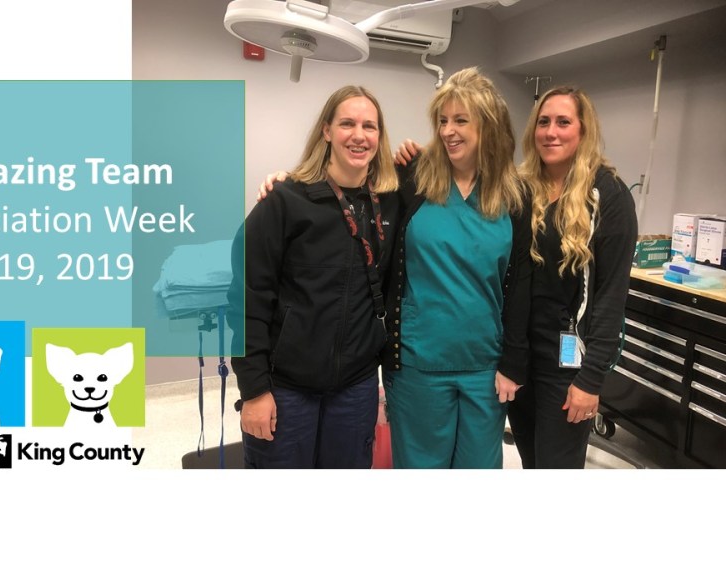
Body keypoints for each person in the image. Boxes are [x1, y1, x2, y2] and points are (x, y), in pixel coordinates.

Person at [260, 67, 531, 469]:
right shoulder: (414, 177)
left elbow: (520, 282)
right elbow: (346, 177)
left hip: (485, 367)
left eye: (460, 120)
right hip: (417, 363)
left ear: (488, 125)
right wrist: (288, 182)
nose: (448, 131)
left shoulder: (515, 194)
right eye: (442, 120)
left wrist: (513, 362)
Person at [227, 85, 400, 468]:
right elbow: (244, 299)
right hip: (285, 388)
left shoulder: (390, 202)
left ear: (380, 135)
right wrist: (254, 390)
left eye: (369, 126)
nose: (359, 135)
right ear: (326, 131)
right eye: (347, 124)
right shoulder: (285, 200)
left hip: (355, 388)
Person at [506, 86, 637, 468]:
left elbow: (612, 295)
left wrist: (591, 380)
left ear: (583, 130)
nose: (551, 132)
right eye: (543, 122)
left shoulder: (608, 195)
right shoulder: (522, 187)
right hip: (520, 356)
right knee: (532, 461)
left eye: (563, 122)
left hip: (567, 364)